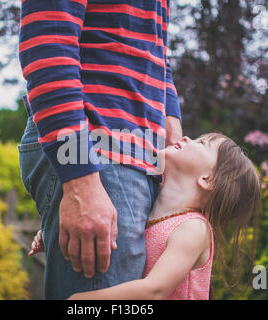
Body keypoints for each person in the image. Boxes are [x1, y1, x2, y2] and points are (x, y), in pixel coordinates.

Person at [18, 0, 182, 299]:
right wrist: (79, 177)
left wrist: (170, 119)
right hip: (97, 147)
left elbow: (154, 48)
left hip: (137, 153)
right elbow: (48, 37)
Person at [29, 133, 262, 299]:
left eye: (201, 143)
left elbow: (155, 291)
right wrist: (51, 231)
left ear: (207, 180)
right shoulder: (148, 206)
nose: (186, 138)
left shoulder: (194, 228)